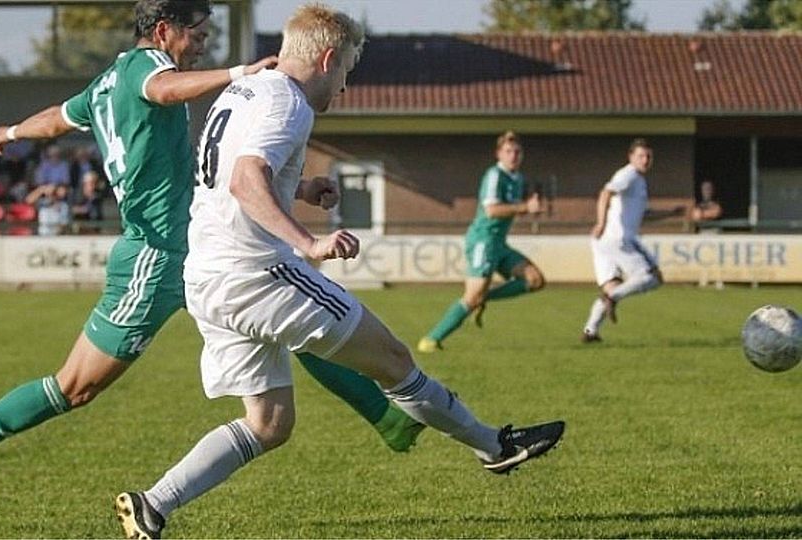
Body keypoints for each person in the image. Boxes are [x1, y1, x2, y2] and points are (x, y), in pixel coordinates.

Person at [0, 0, 422, 519]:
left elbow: (57, 121)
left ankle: (390, 419)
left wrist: (11, 133)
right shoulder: (144, 68)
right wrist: (239, 72)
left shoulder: (104, 85)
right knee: (75, 386)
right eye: (198, 33)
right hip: (154, 260)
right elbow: (161, 89)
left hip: (197, 247)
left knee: (291, 320)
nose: (204, 42)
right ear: (163, 31)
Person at [113, 5, 565, 537]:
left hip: (207, 278)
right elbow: (243, 178)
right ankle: (495, 447)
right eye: (346, 71)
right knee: (395, 361)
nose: (344, 86)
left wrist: (298, 189)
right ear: (327, 58)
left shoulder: (243, 90)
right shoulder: (291, 103)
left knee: (269, 424)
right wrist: (309, 242)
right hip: (258, 276)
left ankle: (153, 504)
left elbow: (220, 170)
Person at [416, 131, 545, 353]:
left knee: (535, 280)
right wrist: (525, 207)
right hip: (482, 242)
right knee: (472, 297)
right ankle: (430, 340)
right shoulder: (495, 175)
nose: (513, 155)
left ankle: (484, 297)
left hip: (500, 244)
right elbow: (492, 210)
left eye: (517, 151)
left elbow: (510, 210)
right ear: (499, 154)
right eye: (508, 151)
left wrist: (528, 207)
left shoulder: (518, 178)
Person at [581, 138, 662, 343]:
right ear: (631, 157)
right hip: (617, 239)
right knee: (651, 277)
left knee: (612, 286)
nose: (645, 160)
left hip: (604, 241)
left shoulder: (639, 180)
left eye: (648, 156)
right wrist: (600, 222)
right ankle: (612, 299)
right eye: (641, 156)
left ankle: (590, 331)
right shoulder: (628, 175)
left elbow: (644, 214)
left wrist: (672, 213)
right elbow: (605, 192)